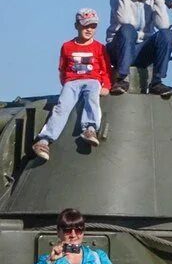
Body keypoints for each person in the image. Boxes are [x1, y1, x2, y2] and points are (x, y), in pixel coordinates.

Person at [31, 9, 113, 160]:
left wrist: (106, 85)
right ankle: (44, 140)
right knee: (62, 107)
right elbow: (62, 68)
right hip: (72, 81)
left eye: (93, 26)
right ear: (77, 26)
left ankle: (90, 128)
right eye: (86, 26)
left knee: (92, 99)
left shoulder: (99, 48)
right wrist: (66, 83)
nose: (89, 29)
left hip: (92, 80)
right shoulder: (67, 46)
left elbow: (106, 68)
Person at [105, 0, 172, 97]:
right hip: (118, 49)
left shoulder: (151, 2)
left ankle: (157, 81)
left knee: (167, 34)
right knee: (128, 29)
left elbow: (164, 24)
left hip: (141, 51)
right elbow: (125, 20)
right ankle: (122, 79)